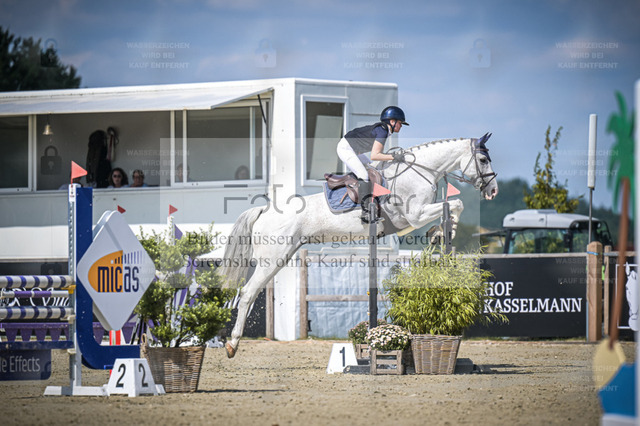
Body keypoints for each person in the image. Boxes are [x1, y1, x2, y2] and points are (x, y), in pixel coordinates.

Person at [336, 106, 409, 220]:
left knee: (374, 170)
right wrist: (394, 157)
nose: (401, 126)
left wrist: (392, 157)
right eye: (400, 123)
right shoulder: (382, 131)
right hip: (346, 149)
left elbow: (376, 156)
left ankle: (375, 202)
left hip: (355, 150)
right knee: (363, 175)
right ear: (392, 121)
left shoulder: (384, 130)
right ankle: (366, 212)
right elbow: (375, 156)